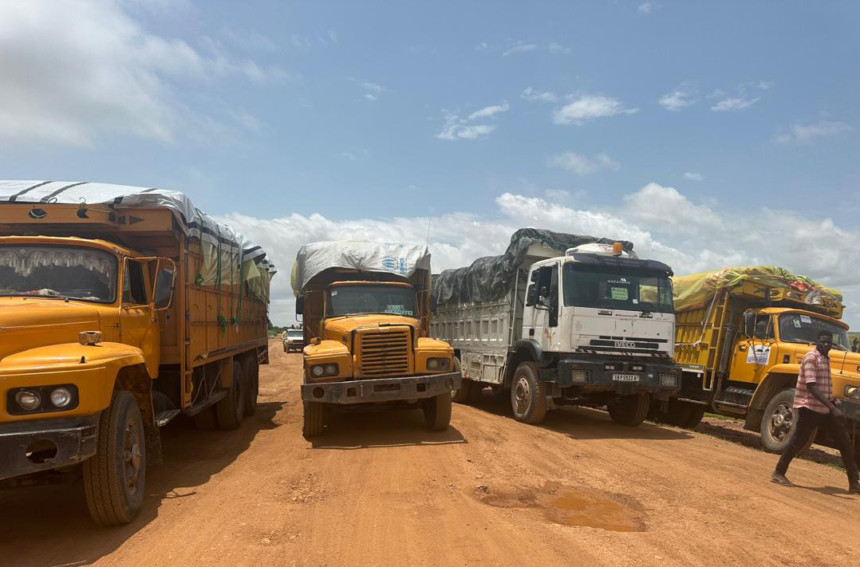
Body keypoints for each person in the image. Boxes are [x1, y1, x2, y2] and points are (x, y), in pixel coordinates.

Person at [772, 330, 860, 493]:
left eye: (829, 342)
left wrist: (834, 402)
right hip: (810, 408)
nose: (826, 345)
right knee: (798, 441)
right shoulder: (811, 358)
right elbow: (811, 386)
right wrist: (833, 408)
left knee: (845, 442)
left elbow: (824, 386)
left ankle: (854, 483)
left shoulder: (826, 359)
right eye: (823, 342)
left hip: (825, 409)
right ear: (817, 342)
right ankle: (778, 472)